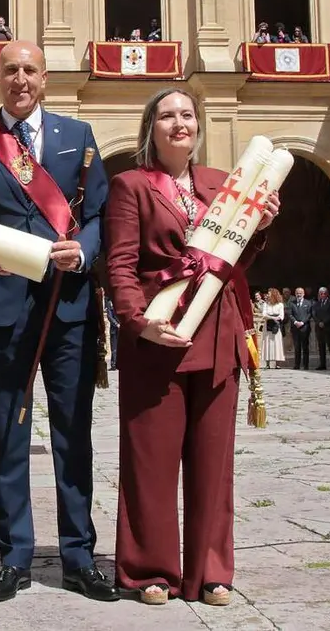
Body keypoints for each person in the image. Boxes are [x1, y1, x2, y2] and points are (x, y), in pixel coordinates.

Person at [0, 40, 113, 603]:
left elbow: (96, 216)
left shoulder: (78, 136)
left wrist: (83, 251)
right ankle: (14, 555)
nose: (20, 79)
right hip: (2, 308)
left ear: (45, 78)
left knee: (73, 434)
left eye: (30, 70)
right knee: (8, 437)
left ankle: (78, 555)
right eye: (10, 70)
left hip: (67, 306)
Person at [104, 87, 279, 606]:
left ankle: (210, 571)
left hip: (218, 333)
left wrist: (261, 224)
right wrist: (136, 321)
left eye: (187, 115)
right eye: (167, 116)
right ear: (150, 128)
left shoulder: (222, 184)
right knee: (150, 463)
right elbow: (120, 263)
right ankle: (148, 570)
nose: (179, 123)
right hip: (159, 335)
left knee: (213, 463)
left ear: (198, 125)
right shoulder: (130, 185)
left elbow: (235, 261)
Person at [287, 287, 312, 370]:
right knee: (297, 347)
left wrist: (302, 322)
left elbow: (309, 314)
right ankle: (297, 365)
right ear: (295, 294)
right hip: (295, 328)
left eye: (300, 293)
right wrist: (295, 322)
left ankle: (306, 365)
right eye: (297, 293)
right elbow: (290, 314)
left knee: (305, 347)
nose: (299, 295)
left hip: (304, 328)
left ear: (303, 294)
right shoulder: (292, 303)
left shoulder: (308, 303)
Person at [312, 287, 330, 370]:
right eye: (321, 293)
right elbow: (314, 315)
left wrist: (324, 322)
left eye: (324, 293)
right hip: (319, 327)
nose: (322, 295)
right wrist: (319, 322)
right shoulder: (316, 304)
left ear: (327, 294)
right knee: (321, 346)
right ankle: (322, 364)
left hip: (328, 327)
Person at [260, 288, 285, 368]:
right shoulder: (266, 304)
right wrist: (273, 317)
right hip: (267, 326)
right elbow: (264, 315)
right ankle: (267, 363)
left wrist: (271, 317)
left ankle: (277, 363)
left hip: (276, 326)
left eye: (269, 294)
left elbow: (281, 316)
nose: (268, 295)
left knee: (277, 344)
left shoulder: (280, 305)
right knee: (267, 343)